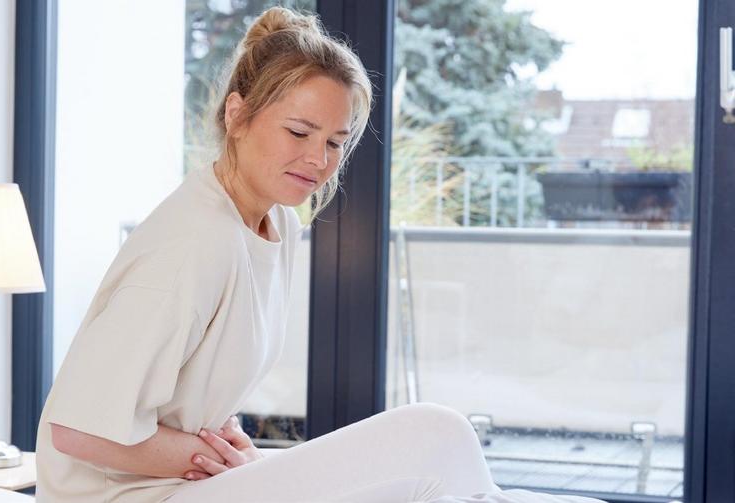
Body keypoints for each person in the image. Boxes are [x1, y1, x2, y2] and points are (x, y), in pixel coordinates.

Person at [34, 7, 499, 503]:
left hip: (186, 481)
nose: (318, 160)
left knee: (442, 441)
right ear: (237, 114)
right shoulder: (194, 243)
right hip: (129, 497)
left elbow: (194, 384)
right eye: (298, 132)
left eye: (335, 142)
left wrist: (234, 451)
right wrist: (213, 459)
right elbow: (79, 431)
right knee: (432, 435)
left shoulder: (277, 222)